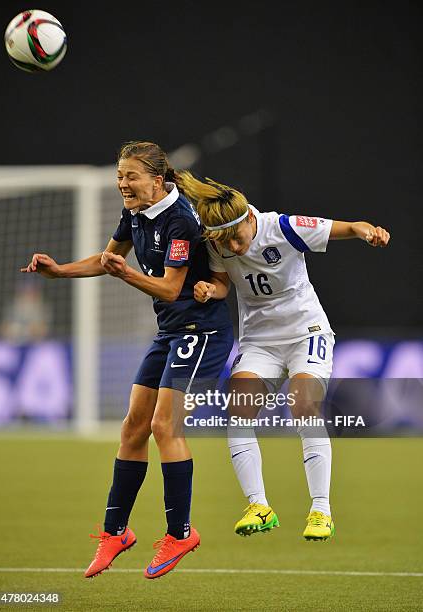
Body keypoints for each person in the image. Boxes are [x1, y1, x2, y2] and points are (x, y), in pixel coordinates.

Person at [20, 142, 234, 578]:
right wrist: (60, 271)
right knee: (133, 426)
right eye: (120, 175)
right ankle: (115, 532)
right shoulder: (137, 212)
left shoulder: (180, 220)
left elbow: (171, 289)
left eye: (131, 176)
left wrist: (128, 274)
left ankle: (181, 533)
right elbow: (108, 259)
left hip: (202, 332)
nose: (122, 183)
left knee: (162, 426)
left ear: (158, 180)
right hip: (171, 331)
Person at [175, 171, 390, 541]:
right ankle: (259, 506)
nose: (235, 248)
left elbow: (346, 226)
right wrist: (211, 288)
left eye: (237, 239)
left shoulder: (283, 227)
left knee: (303, 405)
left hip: (306, 332)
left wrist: (365, 230)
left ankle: (321, 510)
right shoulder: (218, 243)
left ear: (247, 219)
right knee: (238, 409)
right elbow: (224, 282)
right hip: (259, 339)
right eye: (225, 243)